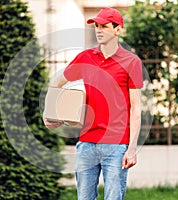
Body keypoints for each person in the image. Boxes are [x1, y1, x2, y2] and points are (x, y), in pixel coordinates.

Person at [44, 7, 143, 200]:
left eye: (104, 26)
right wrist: (51, 112)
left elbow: (136, 108)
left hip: (116, 145)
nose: (98, 30)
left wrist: (132, 149)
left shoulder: (131, 62)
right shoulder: (86, 57)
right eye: (96, 26)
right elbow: (56, 82)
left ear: (117, 29)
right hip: (86, 143)